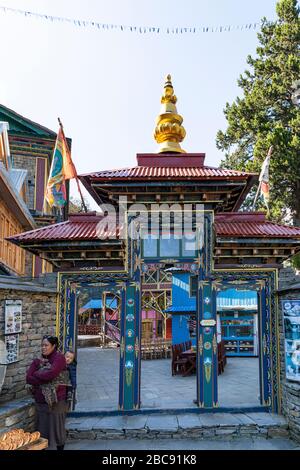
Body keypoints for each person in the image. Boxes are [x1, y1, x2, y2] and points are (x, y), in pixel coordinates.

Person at [26, 335, 68, 451]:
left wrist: (37, 375)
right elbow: (28, 378)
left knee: (57, 429)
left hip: (56, 400)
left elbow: (51, 374)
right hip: (41, 400)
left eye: (46, 345)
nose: (43, 348)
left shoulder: (59, 358)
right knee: (42, 429)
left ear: (53, 346)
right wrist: (43, 377)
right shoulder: (37, 360)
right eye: (42, 345)